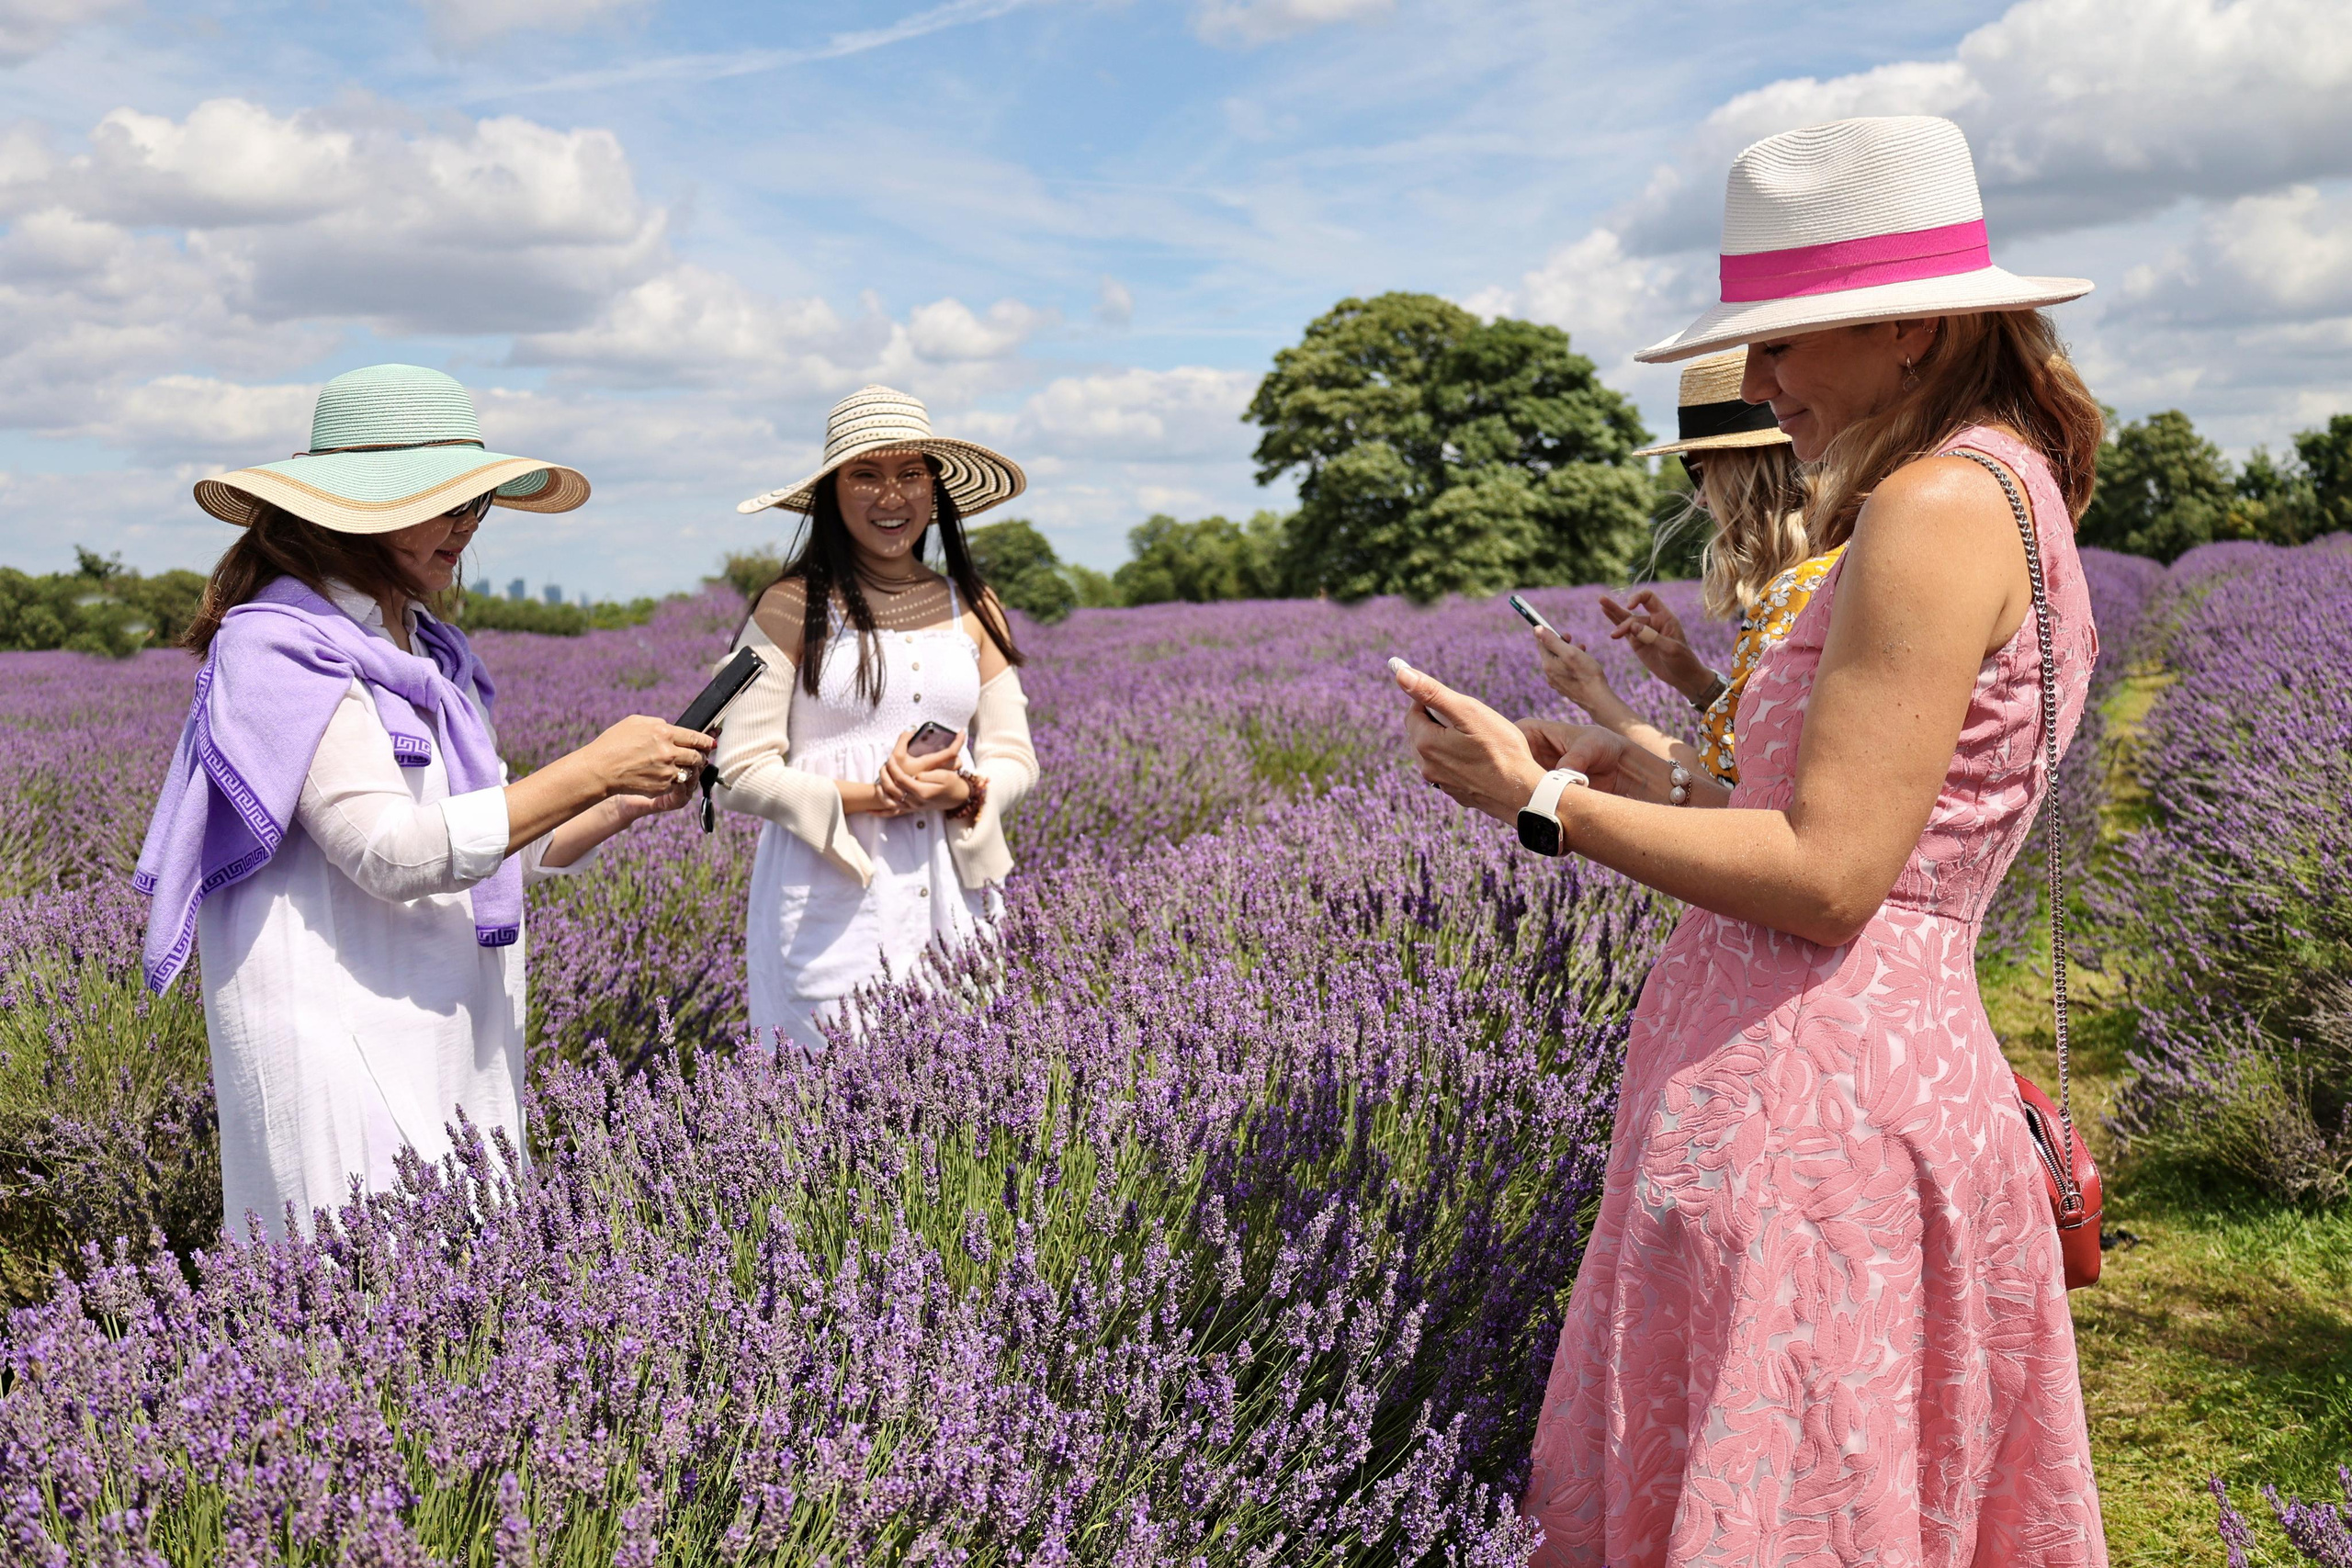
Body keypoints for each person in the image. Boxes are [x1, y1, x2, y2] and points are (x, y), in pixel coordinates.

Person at [1391, 117, 2109, 1564]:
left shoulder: (1933, 504)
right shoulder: (2006, 485)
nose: (1760, 383)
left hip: (1812, 1111)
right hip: (1866, 1074)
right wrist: (1618, 765)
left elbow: (1833, 879)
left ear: (1911, 323)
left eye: (1780, 345)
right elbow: (1853, 829)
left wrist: (1545, 805)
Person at [135, 364, 712, 1240]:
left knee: (449, 1322)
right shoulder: (282, 650)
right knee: (345, 1311)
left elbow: (486, 849)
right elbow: (393, 850)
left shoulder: (429, 654)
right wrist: (590, 768)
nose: (468, 526)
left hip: (443, 1025)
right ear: (355, 509)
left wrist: (619, 800)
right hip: (337, 1033)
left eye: (475, 505)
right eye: (445, 503)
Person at [715, 386, 1040, 1052]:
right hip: (832, 898)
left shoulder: (975, 605)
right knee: (822, 1108)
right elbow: (736, 768)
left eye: (910, 474)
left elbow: (1015, 754)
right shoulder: (788, 606)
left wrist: (967, 791)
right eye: (866, 474)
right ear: (833, 491)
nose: (892, 497)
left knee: (964, 1109)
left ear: (935, 488)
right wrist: (872, 797)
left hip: (956, 894)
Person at [1532, 349, 1833, 797]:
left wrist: (1593, 695)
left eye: (1697, 470)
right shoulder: (1850, 559)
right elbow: (1775, 746)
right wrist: (1696, 681)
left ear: (1749, 473)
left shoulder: (1796, 594)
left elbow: (1731, 791)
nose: (1699, 500)